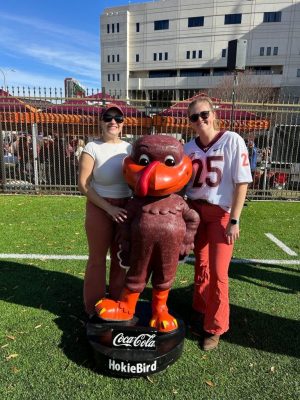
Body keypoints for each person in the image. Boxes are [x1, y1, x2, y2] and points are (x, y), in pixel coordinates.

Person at [184, 96, 252, 351]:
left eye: (204, 114)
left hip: (220, 213)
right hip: (195, 211)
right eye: (194, 117)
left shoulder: (232, 139)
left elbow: (241, 182)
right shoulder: (187, 147)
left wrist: (235, 219)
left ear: (213, 114)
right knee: (200, 265)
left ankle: (215, 326)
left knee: (218, 273)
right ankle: (201, 308)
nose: (200, 120)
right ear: (189, 122)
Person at [78, 104, 132, 318]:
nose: (113, 122)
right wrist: (108, 208)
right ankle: (93, 307)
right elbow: (83, 184)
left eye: (118, 118)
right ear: (100, 121)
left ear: (123, 123)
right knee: (97, 259)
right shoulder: (92, 147)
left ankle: (118, 303)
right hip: (99, 206)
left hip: (125, 208)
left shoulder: (130, 149)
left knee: (121, 259)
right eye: (108, 117)